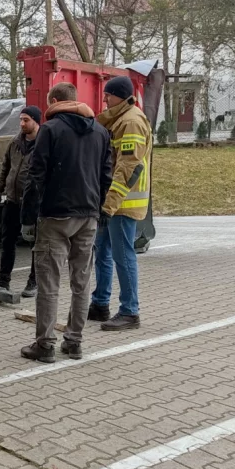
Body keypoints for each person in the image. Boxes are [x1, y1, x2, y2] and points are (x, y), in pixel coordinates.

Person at [19, 83, 112, 363]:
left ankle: (45, 344)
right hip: (88, 216)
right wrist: (98, 205)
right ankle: (74, 342)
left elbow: (36, 173)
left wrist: (31, 214)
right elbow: (106, 174)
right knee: (81, 283)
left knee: (49, 283)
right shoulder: (100, 131)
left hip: (55, 215)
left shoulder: (50, 129)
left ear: (55, 101)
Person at [89, 75, 153, 331]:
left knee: (122, 255)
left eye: (109, 94)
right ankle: (100, 303)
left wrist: (110, 204)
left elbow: (127, 167)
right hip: (111, 201)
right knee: (101, 250)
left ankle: (129, 311)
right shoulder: (118, 120)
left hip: (122, 202)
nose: (104, 99)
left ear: (122, 96)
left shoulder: (132, 122)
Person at [0, 106, 41, 298]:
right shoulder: (15, 143)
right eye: (21, 119)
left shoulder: (43, 143)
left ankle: (34, 281)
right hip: (12, 201)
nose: (22, 123)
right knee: (7, 240)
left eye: (26, 120)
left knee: (34, 243)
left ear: (36, 121)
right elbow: (5, 169)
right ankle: (3, 279)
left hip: (32, 203)